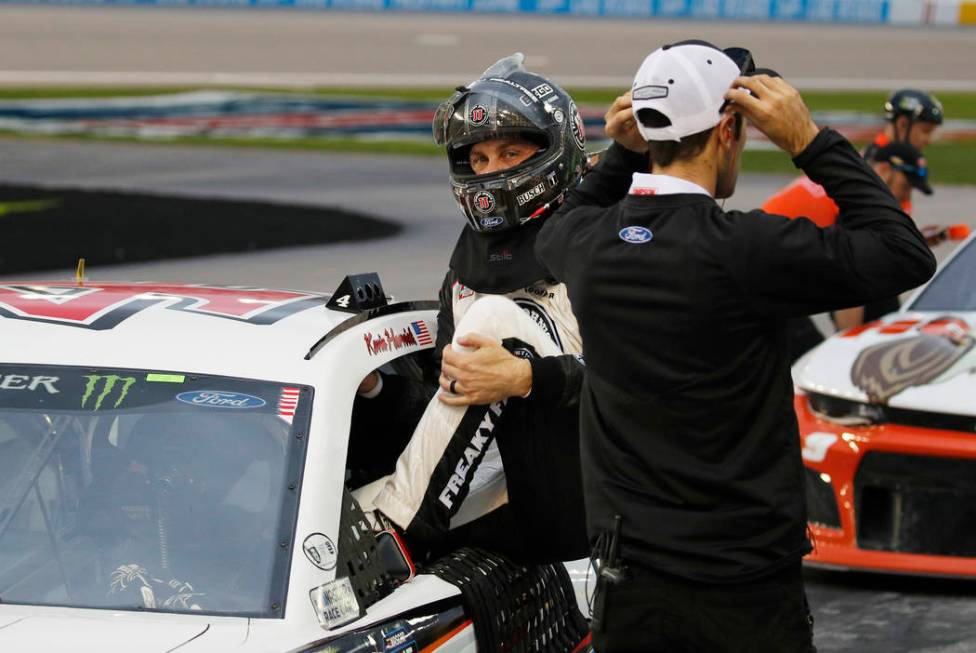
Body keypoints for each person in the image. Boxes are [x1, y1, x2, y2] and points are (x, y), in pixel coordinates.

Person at [535, 40, 936, 652]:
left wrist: (622, 154)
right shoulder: (746, 249)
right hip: (741, 583)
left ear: (644, 129)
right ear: (729, 129)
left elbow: (564, 217)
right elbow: (905, 252)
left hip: (631, 581)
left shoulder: (584, 243)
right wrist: (810, 141)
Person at [350, 54, 590, 564]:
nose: (490, 172)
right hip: (494, 490)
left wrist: (527, 377)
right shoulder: (465, 271)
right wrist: (375, 387)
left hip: (594, 487)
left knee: (492, 319)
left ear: (554, 151)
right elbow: (436, 414)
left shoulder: (609, 241)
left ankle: (398, 531)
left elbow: (654, 388)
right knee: (336, 522)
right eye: (478, 160)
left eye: (509, 153)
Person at [762, 140, 936, 357]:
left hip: (785, 256)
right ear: (884, 170)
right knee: (810, 359)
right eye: (906, 187)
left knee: (881, 294)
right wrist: (847, 353)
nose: (907, 197)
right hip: (768, 273)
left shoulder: (858, 181)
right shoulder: (856, 202)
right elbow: (850, 279)